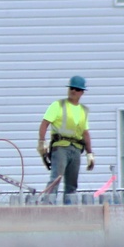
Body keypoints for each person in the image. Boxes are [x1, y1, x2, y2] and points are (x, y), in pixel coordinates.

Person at [37, 75, 94, 204]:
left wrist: (90, 153)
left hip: (77, 149)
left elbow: (85, 133)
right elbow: (44, 124)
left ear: (82, 92)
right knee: (56, 178)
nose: (73, 91)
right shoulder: (58, 105)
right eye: (71, 88)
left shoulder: (83, 111)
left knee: (72, 183)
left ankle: (70, 210)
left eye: (77, 89)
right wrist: (42, 142)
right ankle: (49, 206)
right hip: (61, 147)